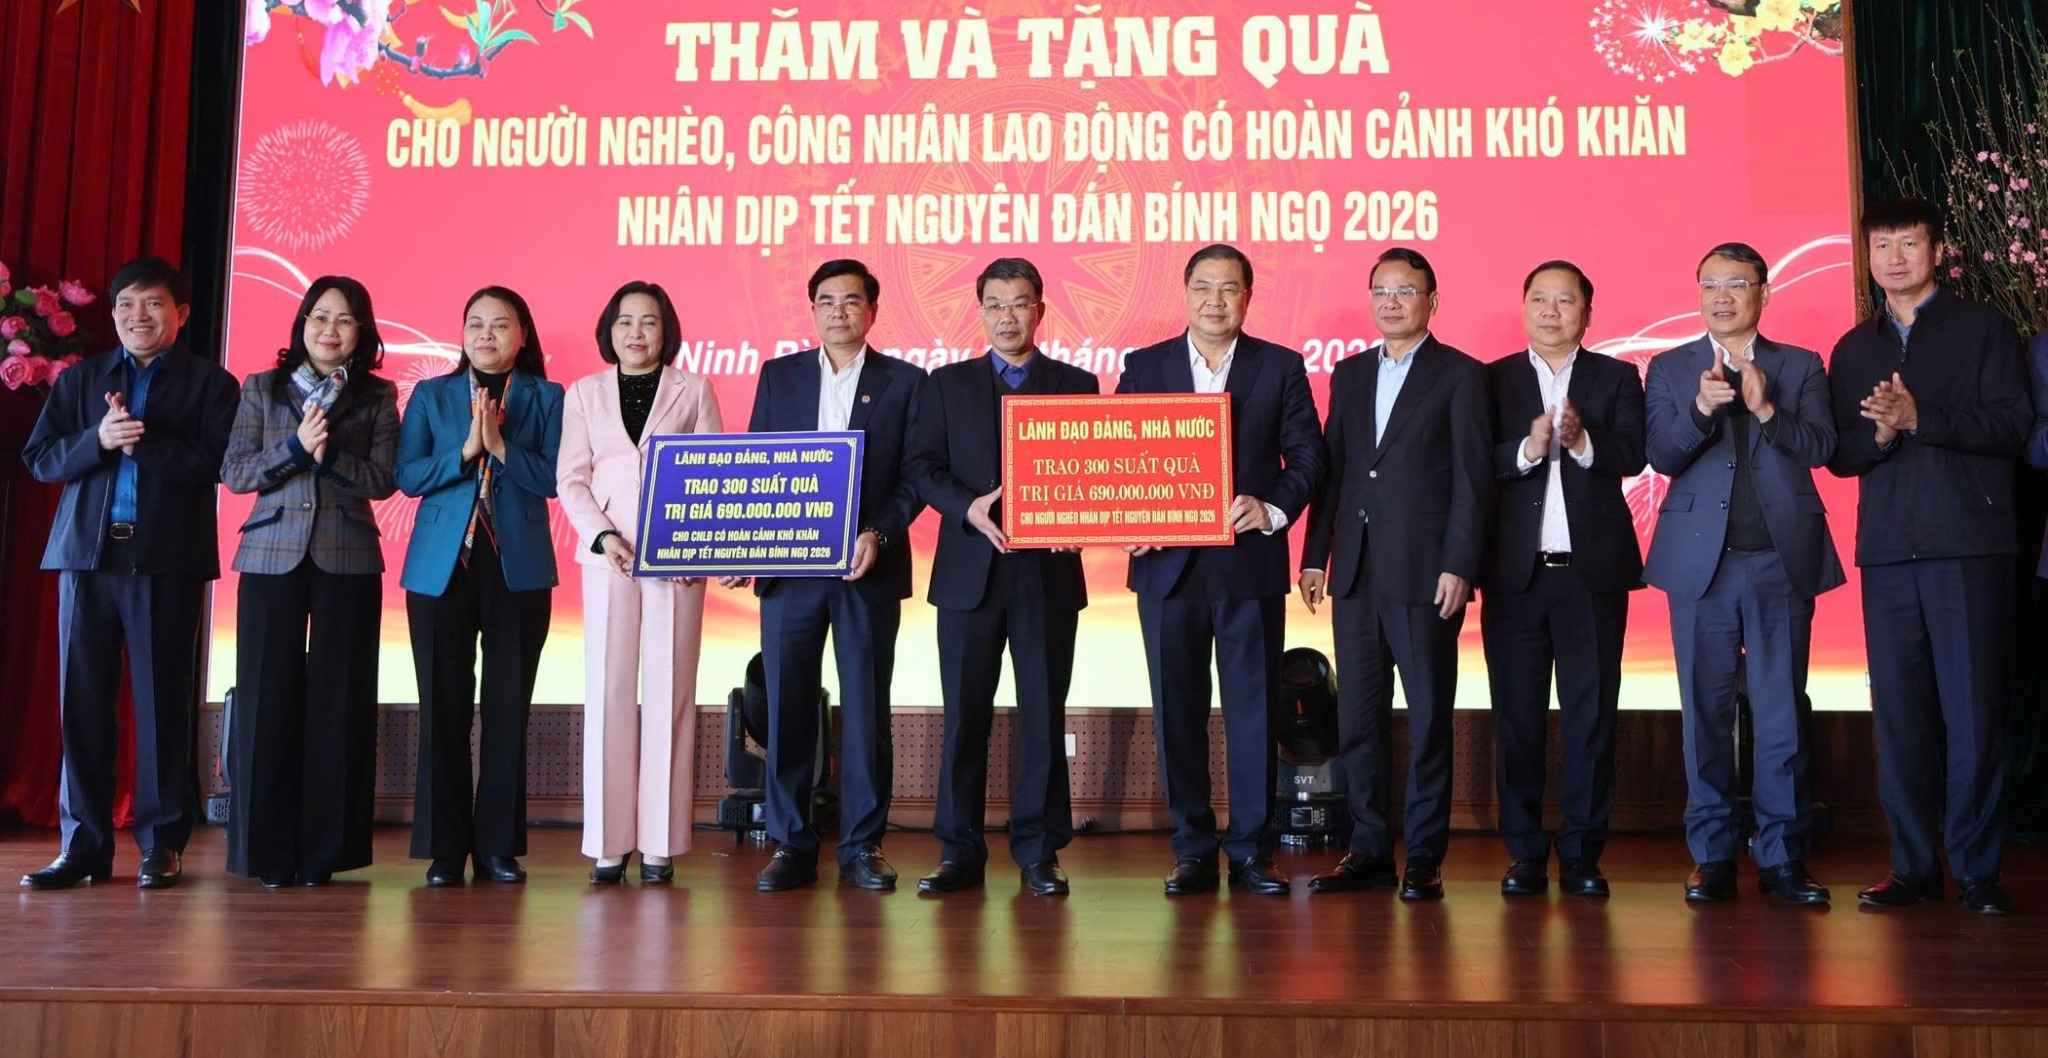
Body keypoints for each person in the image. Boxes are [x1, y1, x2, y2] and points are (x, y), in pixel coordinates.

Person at [1828, 198, 2030, 915]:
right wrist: (1881, 437)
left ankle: (1977, 871)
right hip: (1887, 555)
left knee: (1974, 716)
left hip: (1969, 549)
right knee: (1901, 719)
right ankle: (1913, 866)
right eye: (1881, 245)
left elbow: (2013, 426)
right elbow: (1842, 455)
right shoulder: (1856, 348)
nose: (1895, 257)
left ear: (1936, 249)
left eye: (1908, 242)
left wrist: (1923, 419)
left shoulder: (1982, 329)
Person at [19, 256, 238, 891]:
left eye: (152, 305)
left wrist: (142, 442)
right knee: (81, 701)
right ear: (113, 315)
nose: (137, 317)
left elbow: (219, 463)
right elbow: (41, 458)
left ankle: (161, 844)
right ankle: (81, 845)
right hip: (86, 559)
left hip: (164, 563)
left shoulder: (210, 385)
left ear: (181, 314)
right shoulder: (82, 381)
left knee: (162, 703)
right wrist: (99, 439)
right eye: (126, 306)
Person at [1116, 243, 1326, 897]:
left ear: (1248, 296)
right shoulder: (1144, 366)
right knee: (1176, 714)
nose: (1216, 300)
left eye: (1229, 289)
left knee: (1251, 715)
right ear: (1185, 294)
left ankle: (1252, 852)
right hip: (1166, 571)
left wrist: (1271, 508)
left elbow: (1310, 457)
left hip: (1248, 567)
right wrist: (1130, 516)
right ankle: (1192, 849)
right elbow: (1114, 453)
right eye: (1204, 288)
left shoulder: (1281, 367)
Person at [1644, 244, 1843, 905]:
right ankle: (1713, 855)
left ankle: (1783, 855)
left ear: (1764, 292)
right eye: (1710, 284)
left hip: (1778, 561)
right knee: (1705, 711)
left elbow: (1822, 448)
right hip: (1701, 567)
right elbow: (1662, 455)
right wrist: (1701, 411)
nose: (1722, 296)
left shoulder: (1800, 365)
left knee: (1781, 709)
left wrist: (1764, 408)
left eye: (1737, 284)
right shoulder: (1670, 368)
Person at [1298, 247, 1490, 901]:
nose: (1391, 301)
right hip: (1354, 571)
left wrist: (1460, 563)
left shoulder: (1461, 376)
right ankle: (1370, 847)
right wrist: (1314, 554)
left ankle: (1426, 855)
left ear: (1432, 302)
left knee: (1431, 715)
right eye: (1381, 289)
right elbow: (1338, 470)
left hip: (1425, 573)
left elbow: (1472, 479)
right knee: (1359, 718)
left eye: (1406, 291)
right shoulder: (1349, 374)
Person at [906, 257, 1097, 898]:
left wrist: (1085, 517)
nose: (1006, 315)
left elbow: (1097, 473)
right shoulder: (945, 384)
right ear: (980, 309)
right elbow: (923, 467)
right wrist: (967, 505)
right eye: (995, 304)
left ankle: (1039, 851)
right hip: (969, 575)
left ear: (1040, 310)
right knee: (965, 717)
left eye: (1019, 303)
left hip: (1047, 575)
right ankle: (959, 851)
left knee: (1044, 714)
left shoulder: (1077, 384)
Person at [735, 259, 926, 892]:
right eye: (826, 301)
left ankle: (862, 845)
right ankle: (791, 842)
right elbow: (757, 466)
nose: (838, 311)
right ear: (812, 310)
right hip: (789, 574)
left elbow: (914, 477)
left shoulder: (905, 382)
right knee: (788, 705)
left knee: (867, 707)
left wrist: (879, 532)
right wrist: (744, 543)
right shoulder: (779, 376)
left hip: (864, 568)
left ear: (873, 311)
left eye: (850, 301)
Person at [220, 276, 400, 888]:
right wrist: (295, 450)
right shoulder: (260, 389)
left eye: (344, 320)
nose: (329, 329)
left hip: (347, 556)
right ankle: (266, 854)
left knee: (339, 703)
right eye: (319, 317)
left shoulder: (377, 395)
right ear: (301, 325)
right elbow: (237, 472)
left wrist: (328, 458)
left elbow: (382, 479)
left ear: (361, 333)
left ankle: (327, 853)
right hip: (269, 553)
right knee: (266, 699)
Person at [1479, 260, 1645, 900]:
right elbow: (1475, 463)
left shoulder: (1616, 376)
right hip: (1515, 579)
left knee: (1591, 717)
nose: (1552, 312)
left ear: (1587, 313)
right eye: (1540, 300)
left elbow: (1636, 453)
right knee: (1517, 719)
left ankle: (1581, 853)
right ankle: (1522, 852)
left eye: (1565, 301)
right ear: (1524, 307)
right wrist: (1525, 450)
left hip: (1591, 577)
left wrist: (1580, 442)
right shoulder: (1491, 381)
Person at [396, 285, 563, 888]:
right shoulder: (432, 396)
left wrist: (503, 448)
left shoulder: (547, 397)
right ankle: (444, 847)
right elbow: (407, 476)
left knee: (506, 708)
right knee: (442, 705)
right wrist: (467, 452)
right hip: (442, 567)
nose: (487, 335)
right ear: (461, 335)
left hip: (517, 567)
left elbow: (555, 479)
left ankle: (497, 846)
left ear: (523, 336)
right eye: (476, 324)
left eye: (501, 325)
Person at [557, 281, 722, 885]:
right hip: (608, 557)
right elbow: (570, 478)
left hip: (677, 559)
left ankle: (660, 843)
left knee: (671, 696)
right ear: (610, 330)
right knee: (608, 693)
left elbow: (712, 472)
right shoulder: (584, 393)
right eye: (625, 322)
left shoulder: (695, 389)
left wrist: (697, 541)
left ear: (666, 330)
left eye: (648, 322)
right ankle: (607, 841)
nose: (635, 333)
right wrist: (603, 536)